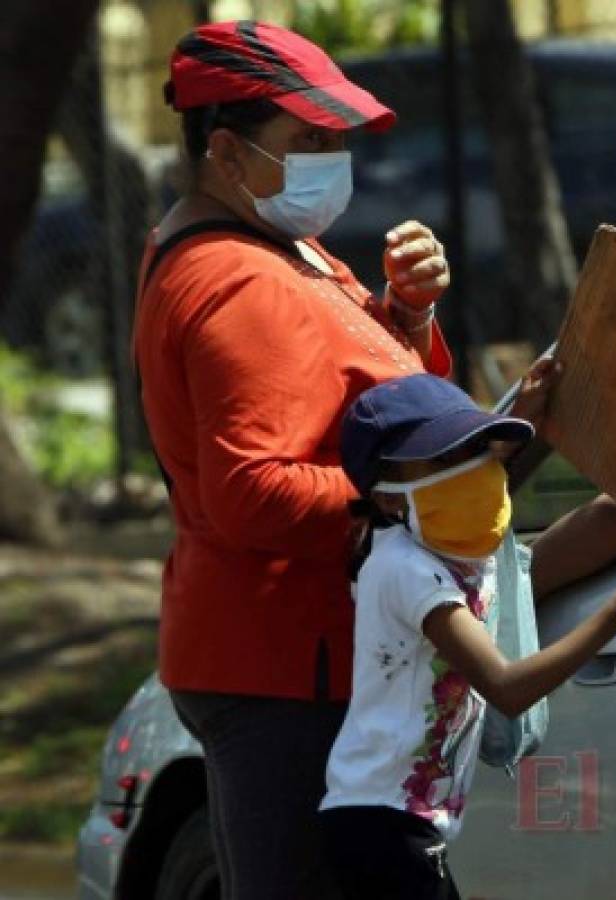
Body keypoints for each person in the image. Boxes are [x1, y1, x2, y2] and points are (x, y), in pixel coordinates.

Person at [132, 21, 458, 900]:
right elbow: (253, 492)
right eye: (308, 139)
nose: (332, 156)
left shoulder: (280, 243)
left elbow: (364, 401)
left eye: (336, 137)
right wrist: (411, 497)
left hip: (298, 656)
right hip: (286, 669)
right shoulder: (238, 279)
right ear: (228, 152)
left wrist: (409, 320)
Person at [319, 373, 616, 899]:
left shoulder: (442, 558)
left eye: (476, 451)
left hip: (401, 826)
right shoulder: (402, 569)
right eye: (443, 460)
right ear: (385, 498)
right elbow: (506, 687)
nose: (472, 472)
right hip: (381, 828)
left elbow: (490, 505)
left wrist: (525, 423)